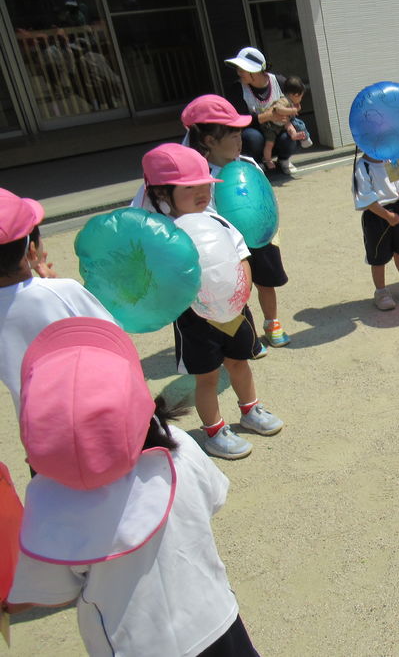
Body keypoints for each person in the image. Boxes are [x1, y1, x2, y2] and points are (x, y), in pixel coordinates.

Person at [4, 317, 260, 657]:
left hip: (132, 645)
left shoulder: (47, 499)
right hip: (216, 618)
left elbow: (53, 590)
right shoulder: (178, 448)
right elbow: (213, 499)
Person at [143, 143, 284, 460]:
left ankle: (250, 410)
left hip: (235, 309)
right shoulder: (163, 235)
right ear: (163, 194)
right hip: (194, 318)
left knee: (239, 363)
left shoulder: (219, 221)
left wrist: (241, 293)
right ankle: (215, 431)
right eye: (190, 187)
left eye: (206, 184)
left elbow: (242, 254)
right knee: (206, 377)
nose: (203, 193)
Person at [131, 94, 293, 348]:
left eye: (240, 135)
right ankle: (246, 335)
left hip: (259, 235)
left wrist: (266, 222)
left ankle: (272, 321)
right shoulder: (198, 177)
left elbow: (262, 195)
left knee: (266, 281)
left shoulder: (248, 163)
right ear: (209, 140)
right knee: (235, 287)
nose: (241, 141)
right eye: (233, 136)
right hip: (226, 243)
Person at [0, 188, 113, 414]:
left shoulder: (57, 291)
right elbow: (112, 338)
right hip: (94, 412)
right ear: (32, 249)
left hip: (35, 423)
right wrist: (54, 285)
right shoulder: (64, 291)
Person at [353, 152, 399, 310]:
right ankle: (381, 292)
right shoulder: (362, 166)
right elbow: (366, 197)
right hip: (376, 213)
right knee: (378, 256)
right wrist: (387, 215)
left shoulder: (393, 157)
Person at [224, 46, 301, 175]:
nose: (238, 73)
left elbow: (295, 105)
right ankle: (258, 161)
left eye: (242, 69)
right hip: (257, 136)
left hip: (278, 131)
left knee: (292, 133)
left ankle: (284, 159)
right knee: (251, 137)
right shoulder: (237, 89)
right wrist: (268, 116)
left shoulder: (280, 82)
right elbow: (238, 121)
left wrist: (286, 114)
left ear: (254, 71)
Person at [259, 75, 312, 170]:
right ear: (295, 95)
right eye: (301, 97)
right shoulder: (284, 100)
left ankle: (294, 135)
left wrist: (294, 109)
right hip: (271, 126)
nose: (300, 100)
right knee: (269, 143)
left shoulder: (291, 102)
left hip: (282, 123)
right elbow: (278, 109)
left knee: (291, 125)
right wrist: (292, 110)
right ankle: (268, 160)